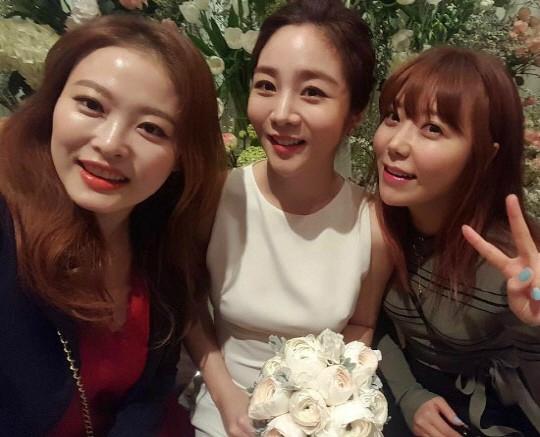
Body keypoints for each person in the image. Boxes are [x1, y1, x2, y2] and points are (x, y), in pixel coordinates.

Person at [0, 15, 225, 436]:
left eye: (151, 128)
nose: (110, 143)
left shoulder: (160, 242)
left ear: (182, 157)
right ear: (53, 104)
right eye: (91, 105)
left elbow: (151, 392)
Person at [185, 1, 392, 436]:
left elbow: (361, 324)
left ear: (354, 115)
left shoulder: (371, 221)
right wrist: (225, 395)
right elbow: (187, 303)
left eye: (312, 92)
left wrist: (329, 412)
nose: (281, 114)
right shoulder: (216, 197)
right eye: (266, 85)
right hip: (222, 412)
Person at [373, 46, 540, 437]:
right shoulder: (381, 222)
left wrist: (535, 327)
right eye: (393, 116)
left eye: (432, 128)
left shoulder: (513, 260)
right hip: (402, 396)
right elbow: (368, 323)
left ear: (485, 155)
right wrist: (409, 394)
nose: (396, 143)